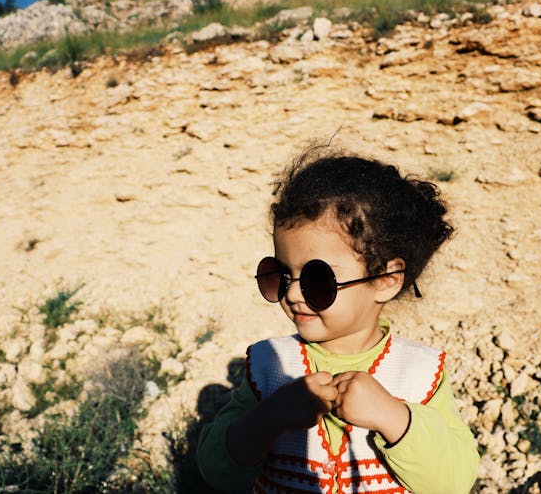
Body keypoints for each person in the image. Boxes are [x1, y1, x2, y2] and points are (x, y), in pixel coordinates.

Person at [197, 147, 479, 493]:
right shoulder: (268, 365)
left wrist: (394, 418)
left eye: (318, 281)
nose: (294, 294)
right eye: (281, 275)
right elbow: (215, 469)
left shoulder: (420, 373)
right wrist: (268, 418)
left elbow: (454, 481)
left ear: (385, 280)